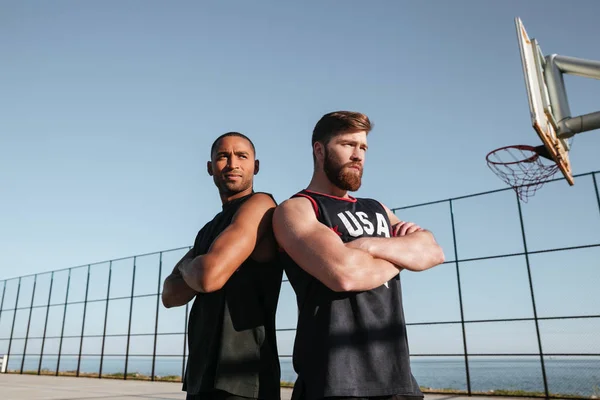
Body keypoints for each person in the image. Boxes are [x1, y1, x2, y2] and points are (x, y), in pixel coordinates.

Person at [273, 111, 446, 400]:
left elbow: (432, 251)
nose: (358, 155)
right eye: (347, 145)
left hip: (397, 379)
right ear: (319, 149)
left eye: (363, 147)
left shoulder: (376, 207)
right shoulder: (298, 209)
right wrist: (404, 255)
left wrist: (367, 246)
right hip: (333, 380)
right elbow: (345, 274)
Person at [162, 132, 282, 400]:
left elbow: (208, 278)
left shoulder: (260, 205)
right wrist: (197, 265)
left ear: (256, 166)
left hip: (245, 376)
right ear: (210, 168)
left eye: (242, 156)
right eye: (222, 157)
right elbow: (169, 295)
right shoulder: (208, 229)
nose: (232, 164)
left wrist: (189, 266)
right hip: (202, 372)